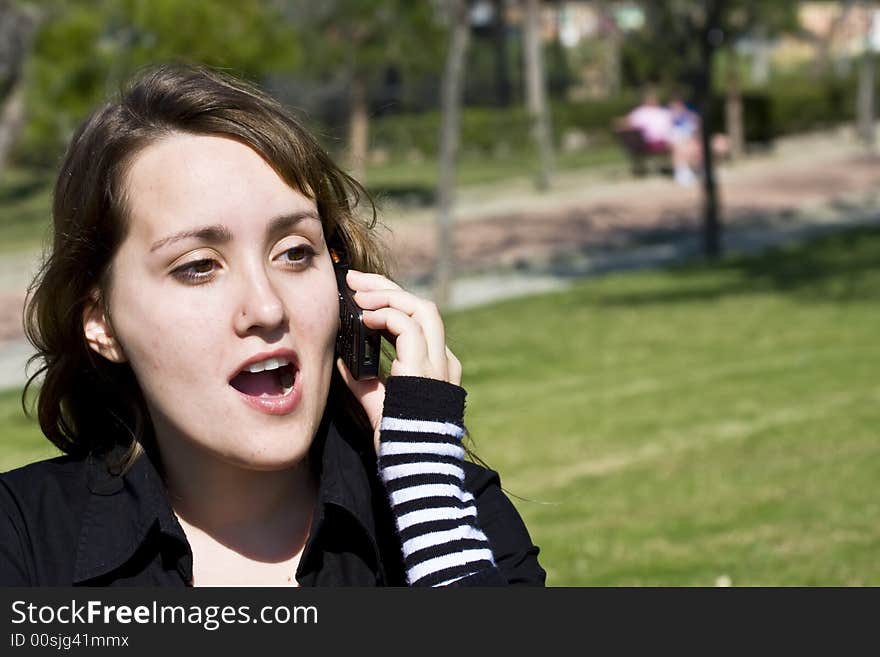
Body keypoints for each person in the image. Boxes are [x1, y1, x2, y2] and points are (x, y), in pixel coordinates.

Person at [0, 64, 545, 587]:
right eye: (198, 266)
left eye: (293, 252)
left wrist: (429, 505)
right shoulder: (22, 540)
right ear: (102, 323)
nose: (266, 308)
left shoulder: (452, 511)